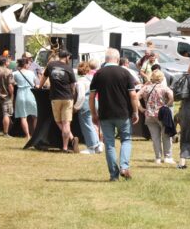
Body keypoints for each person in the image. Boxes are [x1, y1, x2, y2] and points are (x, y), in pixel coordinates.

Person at [89, 48, 139, 181]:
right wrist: (135, 111)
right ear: (117, 59)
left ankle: (113, 175)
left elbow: (92, 96)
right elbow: (133, 95)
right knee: (126, 140)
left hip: (105, 114)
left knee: (109, 144)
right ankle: (124, 166)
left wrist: (94, 113)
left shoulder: (98, 74)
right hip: (123, 113)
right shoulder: (125, 72)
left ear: (105, 59)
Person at [40, 50, 78, 152]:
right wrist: (73, 95)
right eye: (69, 58)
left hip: (55, 98)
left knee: (58, 121)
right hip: (67, 98)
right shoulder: (69, 68)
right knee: (66, 123)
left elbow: (44, 77)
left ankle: (72, 139)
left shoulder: (51, 65)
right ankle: (66, 146)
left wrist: (39, 87)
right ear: (66, 57)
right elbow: (73, 86)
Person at [139, 69, 175, 165]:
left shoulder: (146, 88)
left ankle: (158, 158)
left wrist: (141, 108)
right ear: (161, 78)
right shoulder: (164, 88)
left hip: (149, 115)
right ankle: (168, 157)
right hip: (162, 115)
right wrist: (167, 104)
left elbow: (136, 96)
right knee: (166, 136)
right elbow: (172, 96)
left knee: (155, 138)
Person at [74, 60, 101, 154]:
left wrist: (76, 107)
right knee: (93, 125)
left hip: (85, 104)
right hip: (94, 103)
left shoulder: (81, 81)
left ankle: (91, 147)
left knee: (87, 125)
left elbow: (81, 95)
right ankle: (97, 145)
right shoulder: (91, 79)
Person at [12, 57, 38, 140]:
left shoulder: (15, 73)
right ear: (26, 64)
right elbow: (36, 84)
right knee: (35, 115)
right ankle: (35, 134)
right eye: (29, 64)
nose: (29, 65)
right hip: (30, 94)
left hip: (20, 94)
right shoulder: (31, 73)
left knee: (23, 117)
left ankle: (27, 135)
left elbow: (12, 83)